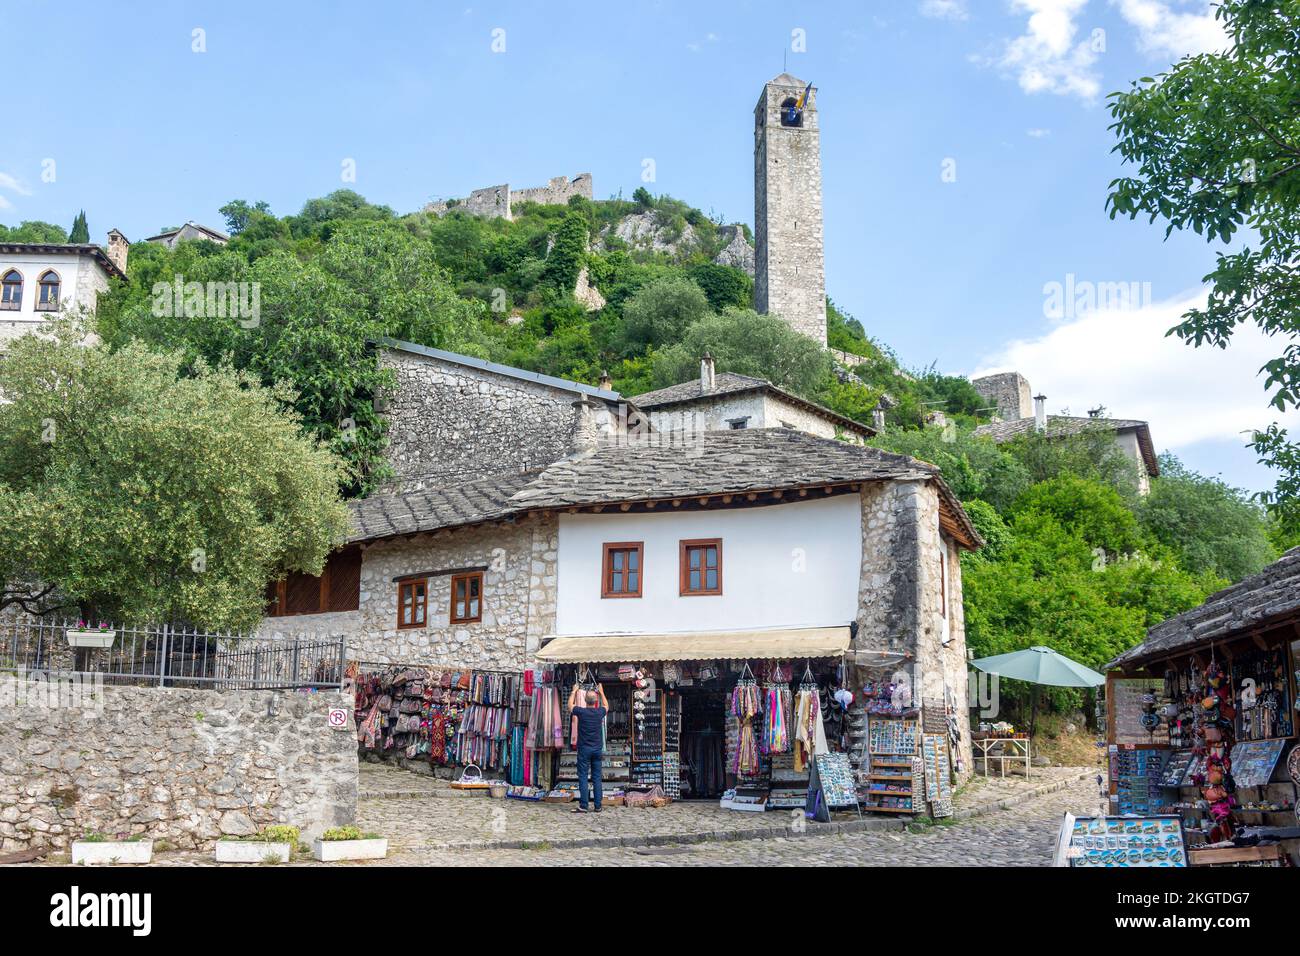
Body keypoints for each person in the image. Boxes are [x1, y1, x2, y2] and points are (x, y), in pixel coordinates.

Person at [568, 681, 608, 813]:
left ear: (585, 700)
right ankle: (598, 805)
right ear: (596, 701)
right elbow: (607, 706)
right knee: (597, 777)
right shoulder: (599, 712)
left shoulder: (581, 712)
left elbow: (570, 706)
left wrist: (574, 691)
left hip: (584, 749)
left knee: (583, 776)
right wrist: (601, 691)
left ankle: (584, 805)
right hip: (597, 749)